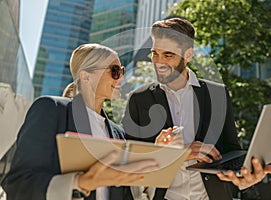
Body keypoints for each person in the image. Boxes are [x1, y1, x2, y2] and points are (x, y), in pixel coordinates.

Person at [122, 18, 271, 199]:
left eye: (168, 55)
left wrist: (245, 180)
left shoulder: (217, 94)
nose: (159, 62)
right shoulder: (139, 99)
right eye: (154, 54)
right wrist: (175, 155)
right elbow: (129, 162)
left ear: (188, 55)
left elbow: (230, 149)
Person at [1, 43, 160, 200]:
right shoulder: (51, 109)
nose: (122, 78)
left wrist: (159, 154)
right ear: (86, 75)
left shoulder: (118, 133)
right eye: (114, 70)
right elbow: (18, 184)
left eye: (122, 71)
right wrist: (82, 182)